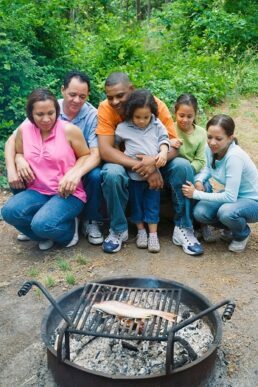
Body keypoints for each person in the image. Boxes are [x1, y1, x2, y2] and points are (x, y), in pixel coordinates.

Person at [97, 72, 203, 255]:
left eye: (120, 95)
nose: (114, 101)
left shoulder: (153, 105)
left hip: (157, 159)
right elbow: (106, 150)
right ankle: (118, 229)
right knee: (111, 173)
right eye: (110, 97)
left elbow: (174, 145)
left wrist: (154, 164)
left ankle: (183, 228)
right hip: (125, 163)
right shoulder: (106, 109)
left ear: (131, 89)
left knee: (182, 166)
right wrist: (144, 167)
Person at [4, 70, 103, 245]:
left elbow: (92, 154)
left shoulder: (85, 119)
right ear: (63, 90)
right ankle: (43, 229)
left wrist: (74, 173)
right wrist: (18, 161)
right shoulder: (44, 107)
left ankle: (81, 223)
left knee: (95, 175)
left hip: (69, 184)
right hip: (39, 187)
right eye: (72, 94)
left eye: (82, 96)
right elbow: (14, 145)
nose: (76, 100)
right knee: (10, 212)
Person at [182, 114, 258, 253]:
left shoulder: (234, 157)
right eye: (209, 137)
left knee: (226, 212)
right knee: (200, 212)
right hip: (235, 197)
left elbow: (229, 197)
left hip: (253, 201)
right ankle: (230, 227)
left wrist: (196, 194)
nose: (212, 142)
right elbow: (208, 168)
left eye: (218, 138)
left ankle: (242, 234)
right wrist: (199, 180)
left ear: (230, 138)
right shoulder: (210, 149)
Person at [115, 89, 171, 253]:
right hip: (134, 176)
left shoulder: (156, 123)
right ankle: (141, 231)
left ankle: (153, 234)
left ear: (152, 114)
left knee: (152, 204)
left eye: (145, 117)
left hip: (154, 177)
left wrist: (163, 152)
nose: (141, 121)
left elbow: (164, 139)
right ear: (130, 113)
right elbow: (114, 145)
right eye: (137, 117)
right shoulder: (123, 127)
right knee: (136, 204)